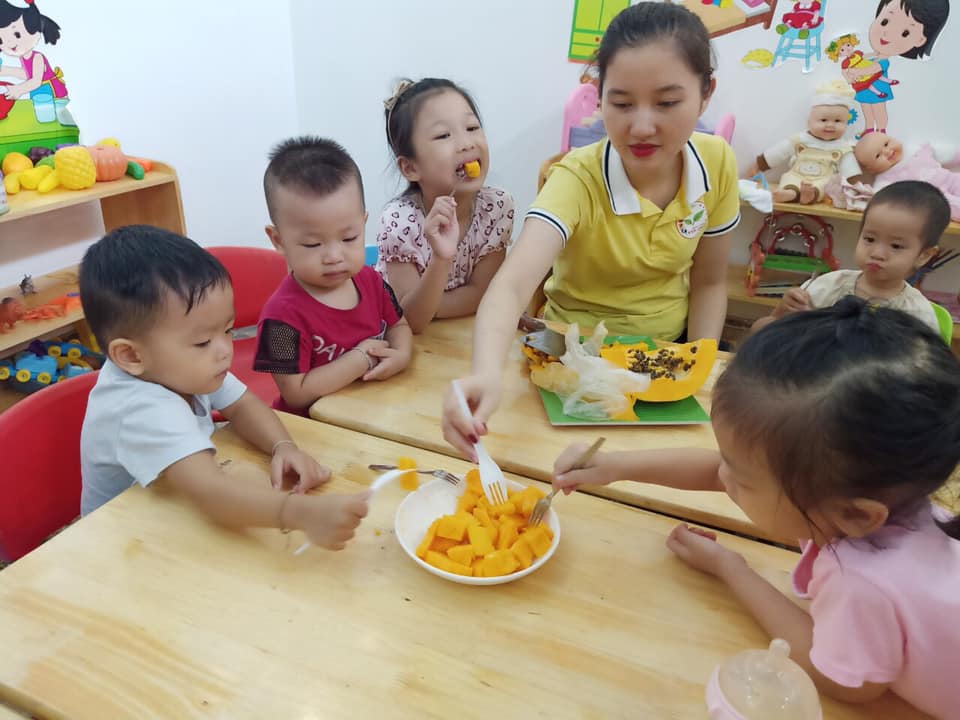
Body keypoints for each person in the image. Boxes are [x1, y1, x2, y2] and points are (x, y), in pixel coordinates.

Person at [552, 299, 960, 717]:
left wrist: (732, 569)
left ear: (856, 515)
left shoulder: (862, 583)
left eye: (742, 479)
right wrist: (615, 466)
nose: (723, 477)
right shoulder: (872, 497)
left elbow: (843, 683)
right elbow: (720, 472)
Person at [442, 2, 740, 457]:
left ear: (706, 93)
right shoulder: (577, 177)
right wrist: (485, 374)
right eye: (621, 103)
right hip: (569, 358)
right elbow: (512, 284)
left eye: (667, 103)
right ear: (599, 97)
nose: (641, 126)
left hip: (665, 353)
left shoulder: (717, 161)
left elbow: (710, 281)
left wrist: (698, 364)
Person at [80, 226, 369, 551]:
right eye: (203, 341)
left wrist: (283, 447)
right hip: (118, 544)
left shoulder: (179, 368)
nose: (224, 350)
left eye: (228, 330)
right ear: (131, 355)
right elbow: (213, 495)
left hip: (169, 509)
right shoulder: (140, 407)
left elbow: (242, 404)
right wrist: (301, 513)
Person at [254, 136, 413, 415]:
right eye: (313, 244)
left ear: (363, 223)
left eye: (349, 238)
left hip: (375, 411)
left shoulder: (372, 280)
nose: (334, 256)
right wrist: (360, 359)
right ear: (278, 240)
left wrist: (401, 354)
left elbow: (399, 326)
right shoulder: (279, 321)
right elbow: (295, 394)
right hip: (316, 427)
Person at [377, 77, 514, 333]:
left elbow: (483, 294)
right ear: (410, 167)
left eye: (472, 127)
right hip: (404, 340)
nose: (467, 143)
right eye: (443, 135)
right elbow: (410, 320)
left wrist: (431, 307)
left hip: (463, 333)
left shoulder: (496, 207)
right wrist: (441, 258)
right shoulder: (399, 222)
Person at [752, 180, 947, 336]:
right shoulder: (827, 286)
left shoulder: (917, 315)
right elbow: (764, 333)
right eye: (869, 239)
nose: (877, 253)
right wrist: (782, 313)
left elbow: (923, 371)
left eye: (896, 246)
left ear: (924, 255)